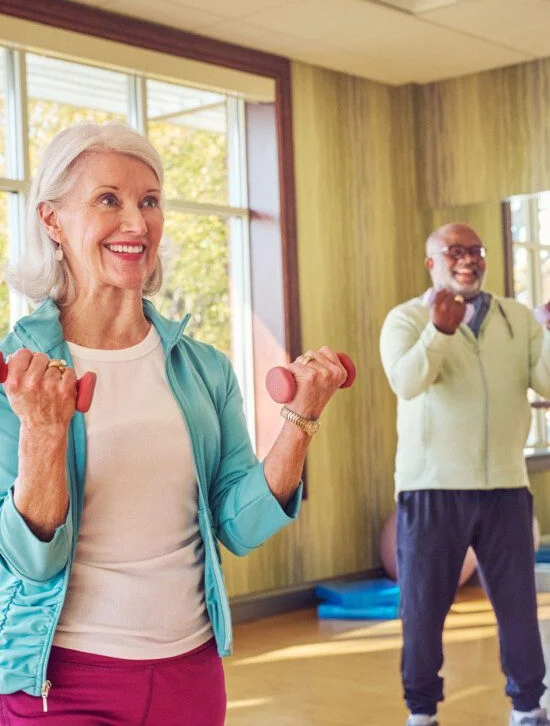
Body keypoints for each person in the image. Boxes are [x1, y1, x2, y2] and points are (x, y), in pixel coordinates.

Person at [0, 122, 347, 725]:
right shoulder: (22, 376)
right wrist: (43, 433)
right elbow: (31, 562)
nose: (136, 223)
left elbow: (239, 526)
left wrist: (301, 419)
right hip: (60, 681)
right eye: (109, 199)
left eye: (150, 201)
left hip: (191, 672)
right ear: (52, 220)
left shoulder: (203, 369)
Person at [380, 222, 550, 726]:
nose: (468, 259)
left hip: (505, 488)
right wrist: (441, 331)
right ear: (432, 262)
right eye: (454, 251)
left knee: (519, 607)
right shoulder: (406, 319)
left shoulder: (518, 319)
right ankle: (422, 711)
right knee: (425, 611)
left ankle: (527, 706)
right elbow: (406, 382)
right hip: (431, 490)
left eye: (475, 250)